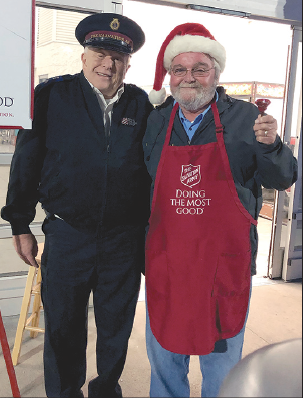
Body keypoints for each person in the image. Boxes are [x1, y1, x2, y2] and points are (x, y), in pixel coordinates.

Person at [1, 13, 154, 398]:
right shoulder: (52, 96)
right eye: (100, 53)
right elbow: (27, 163)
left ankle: (106, 389)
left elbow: (152, 173)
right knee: (64, 327)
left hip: (123, 240)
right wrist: (20, 223)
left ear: (129, 62)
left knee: (116, 327)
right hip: (68, 235)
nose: (109, 63)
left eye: (118, 57)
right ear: (83, 57)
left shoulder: (140, 103)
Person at [143, 23, 298, 398]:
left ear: (216, 73)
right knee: (165, 362)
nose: (189, 78)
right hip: (168, 265)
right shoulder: (157, 120)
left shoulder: (248, 119)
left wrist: (273, 145)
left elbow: (283, 178)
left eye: (200, 68)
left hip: (224, 265)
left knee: (223, 366)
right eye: (179, 69)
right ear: (169, 76)